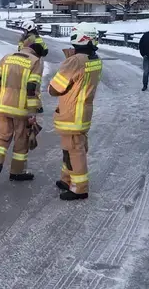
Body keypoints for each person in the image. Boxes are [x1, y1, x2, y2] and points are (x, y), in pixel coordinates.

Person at [48, 23, 102, 201]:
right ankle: (67, 179)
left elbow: (55, 88)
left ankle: (79, 188)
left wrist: (68, 62)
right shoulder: (95, 60)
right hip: (83, 112)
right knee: (71, 148)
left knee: (74, 150)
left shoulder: (74, 61)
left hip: (71, 114)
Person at [0, 41, 45, 186]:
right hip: (21, 110)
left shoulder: (7, 57)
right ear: (36, 53)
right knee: (21, 141)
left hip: (4, 107)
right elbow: (32, 88)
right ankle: (17, 172)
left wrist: (0, 98)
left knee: (0, 139)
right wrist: (32, 112)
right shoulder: (35, 61)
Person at [18, 20, 48, 113]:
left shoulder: (29, 39)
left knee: (31, 85)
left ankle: (36, 106)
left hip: (31, 64)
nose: (23, 32)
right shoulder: (37, 38)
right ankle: (35, 105)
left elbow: (21, 51)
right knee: (34, 85)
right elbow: (45, 51)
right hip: (35, 63)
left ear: (29, 29)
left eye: (24, 30)